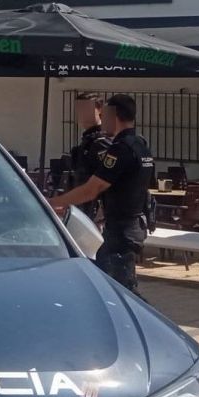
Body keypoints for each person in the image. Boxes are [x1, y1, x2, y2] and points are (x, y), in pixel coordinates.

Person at [50, 94, 153, 296]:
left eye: (104, 114)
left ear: (114, 115)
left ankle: (146, 324)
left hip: (121, 228)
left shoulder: (120, 149)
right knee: (116, 287)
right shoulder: (141, 145)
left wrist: (52, 202)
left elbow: (92, 189)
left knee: (121, 292)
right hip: (132, 225)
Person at [69, 93, 111, 217]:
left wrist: (102, 211)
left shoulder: (103, 141)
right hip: (83, 206)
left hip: (96, 209)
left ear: (100, 110)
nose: (82, 115)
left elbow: (110, 178)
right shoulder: (89, 139)